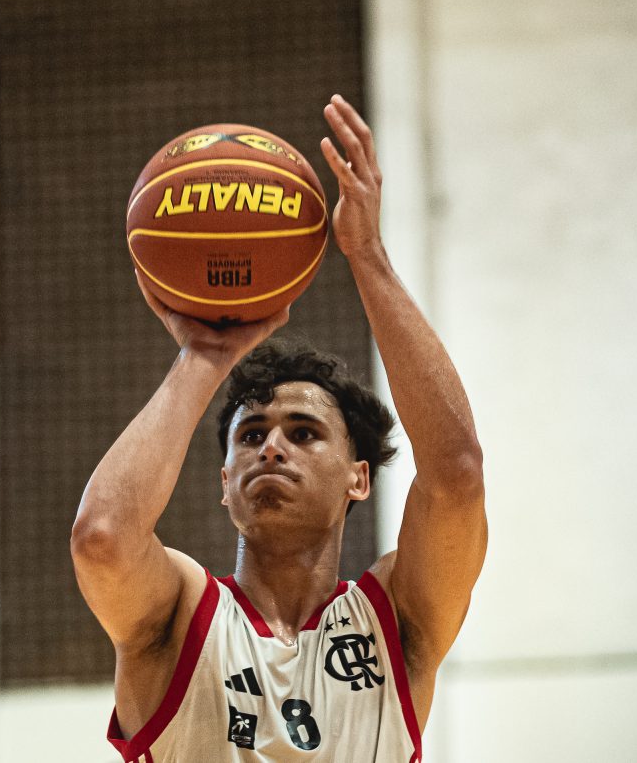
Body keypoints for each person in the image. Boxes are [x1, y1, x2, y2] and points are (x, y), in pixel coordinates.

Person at [71, 96, 487, 762]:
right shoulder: (180, 617)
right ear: (224, 482)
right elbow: (101, 539)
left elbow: (457, 476)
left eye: (304, 432)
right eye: (250, 434)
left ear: (358, 478)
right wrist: (204, 357)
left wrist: (367, 254)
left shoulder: (398, 619)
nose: (271, 446)